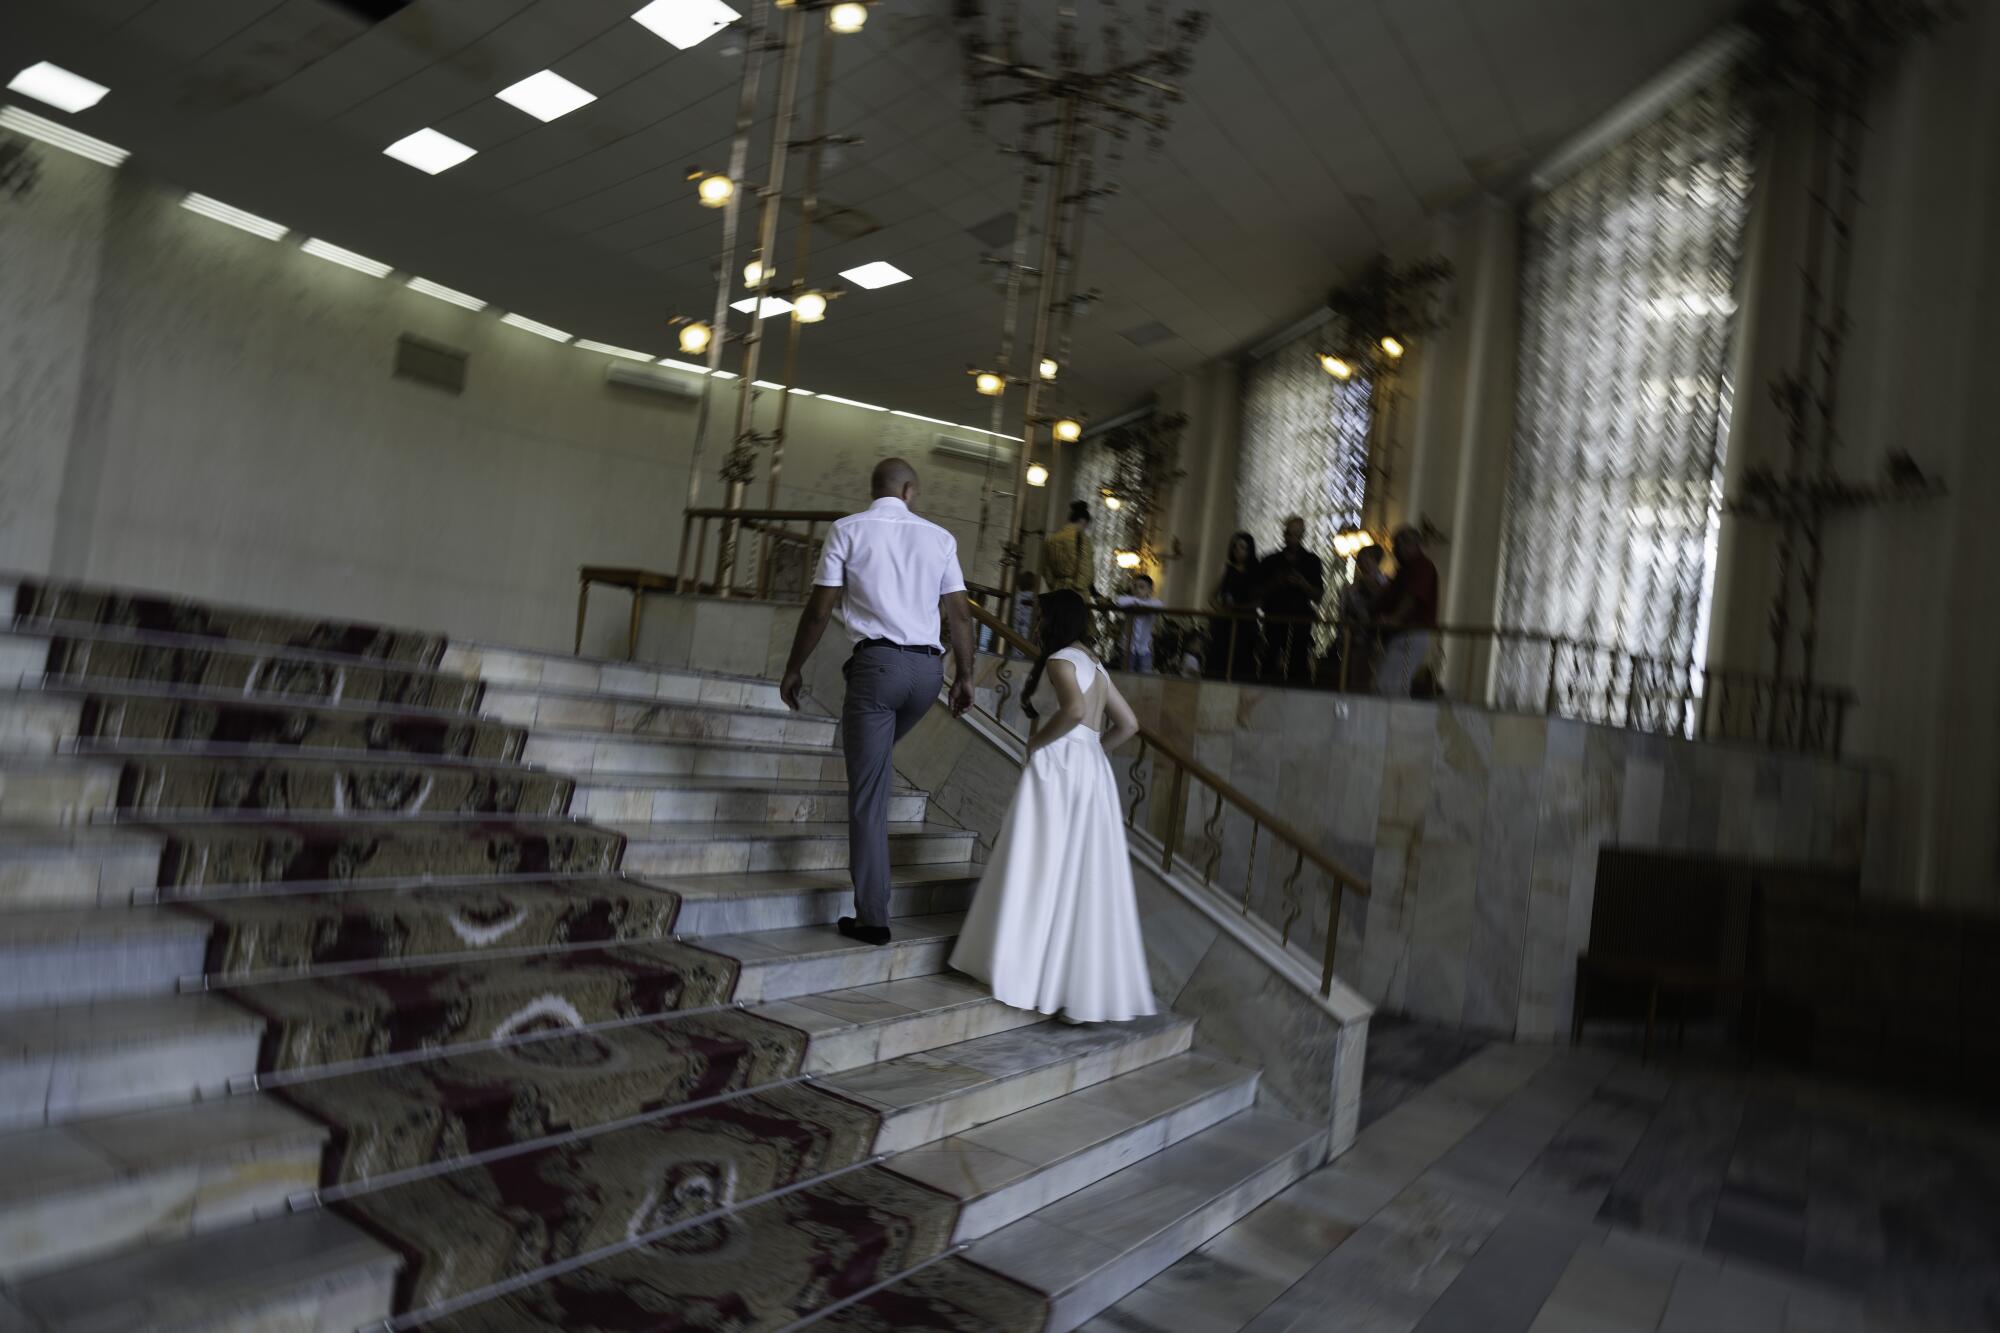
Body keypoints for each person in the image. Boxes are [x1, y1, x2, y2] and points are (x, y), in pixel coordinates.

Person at [780, 458, 975, 945]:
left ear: (876, 489)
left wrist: (793, 666)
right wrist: (966, 675)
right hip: (928, 675)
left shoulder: (847, 530)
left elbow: (820, 608)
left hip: (877, 670)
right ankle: (873, 898)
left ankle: (873, 917)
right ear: (909, 490)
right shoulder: (940, 537)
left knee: (868, 796)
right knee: (876, 768)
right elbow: (960, 616)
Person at [949, 590, 1156, 1023]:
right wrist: (1094, 749)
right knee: (1078, 871)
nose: (1036, 622)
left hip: (1059, 764)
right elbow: (1129, 724)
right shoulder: (1095, 663)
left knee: (1038, 862)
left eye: (1040, 615)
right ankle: (1071, 989)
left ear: (1055, 619)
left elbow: (1074, 709)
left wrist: (1038, 742)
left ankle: (1024, 970)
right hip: (1090, 769)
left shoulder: (1062, 659)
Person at [1257, 516, 1325, 684]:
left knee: (1298, 664)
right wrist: (1277, 582)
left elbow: (1318, 596)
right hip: (1274, 619)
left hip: (1300, 621)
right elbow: (1257, 592)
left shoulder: (1312, 561)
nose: (1293, 539)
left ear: (1303, 536)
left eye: (1297, 535)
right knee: (1270, 661)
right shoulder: (1270, 561)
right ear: (1284, 534)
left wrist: (1303, 584)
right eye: (1290, 534)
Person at [1375, 525, 1440, 698]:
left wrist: (1394, 618)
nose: (1394, 551)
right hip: (1400, 634)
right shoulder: (1404, 570)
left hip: (1410, 633)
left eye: (1396, 546)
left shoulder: (1422, 567)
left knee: (1390, 686)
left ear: (1410, 544)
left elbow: (1413, 596)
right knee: (1388, 685)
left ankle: (1397, 723)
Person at [1207, 532, 1261, 681]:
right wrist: (1222, 611)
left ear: (1249, 550)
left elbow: (1259, 601)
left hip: (1246, 623)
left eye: (1242, 547)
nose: (1238, 550)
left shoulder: (1255, 573)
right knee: (1221, 658)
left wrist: (1241, 608)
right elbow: (1211, 597)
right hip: (1226, 623)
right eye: (1235, 547)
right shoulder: (1226, 569)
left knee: (1242, 659)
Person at [1336, 543, 1388, 692]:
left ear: (1376, 561)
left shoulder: (1384, 583)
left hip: (1374, 634)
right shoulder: (1351, 586)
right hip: (1353, 634)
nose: (1363, 563)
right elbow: (1343, 609)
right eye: (1361, 560)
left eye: (1368, 559)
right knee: (1351, 674)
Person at [1039, 500, 1095, 597]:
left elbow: (1046, 568)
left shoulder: (1052, 539)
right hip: (1075, 593)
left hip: (1057, 591)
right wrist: (1079, 586)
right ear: (1083, 521)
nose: (1085, 529)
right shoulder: (1082, 538)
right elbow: (1087, 569)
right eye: (1086, 525)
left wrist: (1054, 585)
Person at [1112, 573, 1165, 673]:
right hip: (1127, 647)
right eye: (1135, 586)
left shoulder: (1154, 603)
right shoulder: (1129, 600)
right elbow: (1119, 601)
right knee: (1127, 676)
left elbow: (1159, 605)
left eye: (1141, 587)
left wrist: (1137, 604)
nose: (1137, 589)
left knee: (1145, 677)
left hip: (1145, 648)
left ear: (1150, 590)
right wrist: (1137, 601)